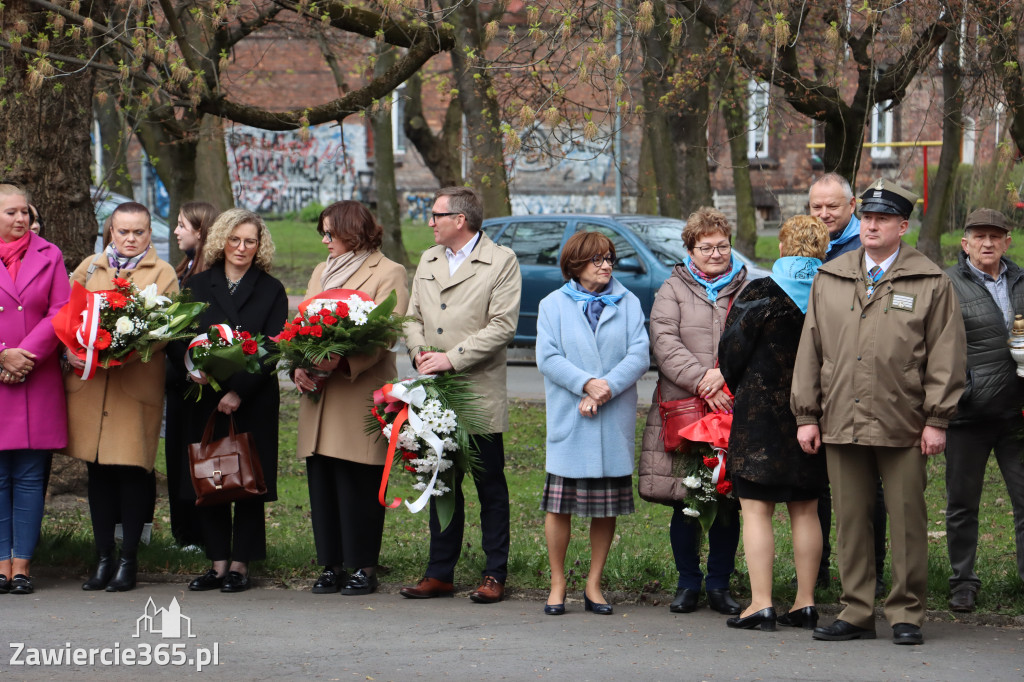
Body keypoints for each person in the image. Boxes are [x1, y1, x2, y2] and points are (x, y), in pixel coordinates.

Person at [793, 178, 966, 645]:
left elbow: (947, 355)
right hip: (840, 418)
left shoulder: (930, 281)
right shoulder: (831, 276)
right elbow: (811, 348)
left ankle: (906, 612)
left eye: (882, 218)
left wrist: (937, 419)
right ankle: (856, 611)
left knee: (907, 519)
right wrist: (806, 414)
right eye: (867, 217)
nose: (871, 225)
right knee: (850, 519)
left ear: (902, 226)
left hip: (905, 421)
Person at [400, 186, 522, 604]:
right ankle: (439, 573)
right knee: (440, 484)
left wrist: (451, 359)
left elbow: (503, 326)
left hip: (478, 393)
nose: (429, 222)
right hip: (434, 393)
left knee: (490, 485)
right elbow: (411, 317)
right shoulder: (428, 259)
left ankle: (494, 573)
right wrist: (419, 354)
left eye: (436, 215)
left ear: (460, 220)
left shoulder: (501, 262)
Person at [718, 215, 830, 631]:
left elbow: (729, 354)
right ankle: (804, 603)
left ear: (782, 247)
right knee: (806, 511)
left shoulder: (760, 292)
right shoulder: (832, 292)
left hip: (760, 421)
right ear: (824, 251)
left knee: (756, 512)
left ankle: (761, 604)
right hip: (814, 419)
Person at [293, 201, 409, 596]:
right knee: (322, 481)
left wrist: (342, 360)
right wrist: (298, 365)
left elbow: (386, 333)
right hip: (319, 396)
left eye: (331, 233)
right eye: (322, 234)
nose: (325, 241)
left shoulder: (388, 271)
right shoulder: (320, 272)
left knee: (358, 482)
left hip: (358, 393)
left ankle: (363, 566)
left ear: (353, 232)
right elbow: (300, 327)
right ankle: (330, 565)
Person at [64, 202, 178, 593]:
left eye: (139, 232)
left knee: (132, 471)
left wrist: (128, 347)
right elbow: (69, 317)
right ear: (110, 231)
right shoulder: (91, 267)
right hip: (93, 388)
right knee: (98, 473)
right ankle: (102, 559)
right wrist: (71, 350)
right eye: (123, 231)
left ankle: (128, 560)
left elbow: (167, 330)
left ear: (150, 233)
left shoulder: (163, 274)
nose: (130, 239)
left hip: (134, 388)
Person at [639, 206, 746, 616]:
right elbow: (664, 343)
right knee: (686, 499)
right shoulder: (672, 290)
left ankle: (719, 584)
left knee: (726, 497)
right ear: (690, 249)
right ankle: (687, 583)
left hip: (732, 408)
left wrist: (726, 379)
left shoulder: (747, 287)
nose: (716, 254)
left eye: (722, 245)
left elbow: (754, 343)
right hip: (685, 409)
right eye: (706, 247)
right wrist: (705, 380)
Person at [536, 231, 650, 616]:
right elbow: (547, 358)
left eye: (609, 259)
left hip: (611, 417)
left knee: (606, 509)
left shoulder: (629, 302)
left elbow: (639, 355)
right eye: (596, 260)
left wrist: (604, 389)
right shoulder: (553, 304)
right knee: (559, 507)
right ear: (575, 264)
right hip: (572, 417)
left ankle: (594, 585)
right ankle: (557, 584)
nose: (606, 266)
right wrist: (585, 383)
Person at [175, 208, 287, 594]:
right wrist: (191, 368)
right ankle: (218, 562)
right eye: (235, 239)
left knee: (247, 479)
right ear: (222, 240)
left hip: (251, 399)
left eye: (250, 241)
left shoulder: (271, 289)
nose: (242, 248)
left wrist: (239, 390)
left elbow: (273, 346)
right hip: (206, 396)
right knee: (212, 479)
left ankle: (241, 564)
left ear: (260, 246)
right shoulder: (197, 284)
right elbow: (179, 336)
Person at [808, 173, 888, 594]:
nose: (823, 215)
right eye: (816, 207)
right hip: (820, 383)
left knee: (867, 487)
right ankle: (816, 575)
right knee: (817, 484)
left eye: (832, 207)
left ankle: (870, 575)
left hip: (866, 386)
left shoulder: (867, 247)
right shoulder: (804, 245)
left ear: (851, 205)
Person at [943, 207, 1024, 613]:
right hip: (968, 413)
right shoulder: (947, 284)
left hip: (1017, 414)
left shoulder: (1023, 280)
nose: (988, 243)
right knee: (962, 504)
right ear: (966, 243)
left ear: (1007, 241)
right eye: (980, 236)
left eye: (996, 236)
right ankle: (962, 582)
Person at [0, 184, 70, 595]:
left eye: (24, 211)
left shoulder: (50, 253)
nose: (21, 219)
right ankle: (0, 562)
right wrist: (2, 356)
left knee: (29, 476)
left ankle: (21, 565)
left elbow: (62, 310)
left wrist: (25, 355)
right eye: (10, 212)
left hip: (36, 376)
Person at [164, 201, 219, 551]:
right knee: (176, 455)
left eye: (182, 224)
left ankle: (199, 534)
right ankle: (182, 531)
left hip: (200, 383)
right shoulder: (182, 271)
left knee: (198, 457)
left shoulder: (207, 278)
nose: (176, 231)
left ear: (200, 231)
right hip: (177, 381)